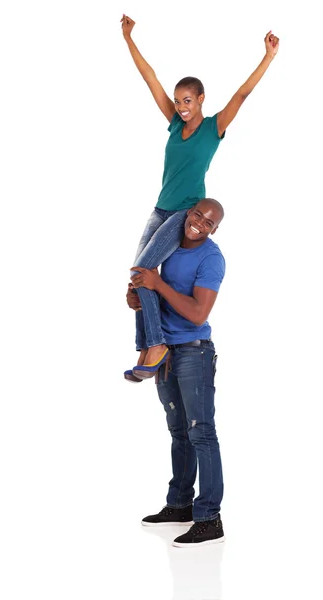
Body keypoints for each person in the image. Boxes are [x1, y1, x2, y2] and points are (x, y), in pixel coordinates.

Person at [121, 14, 279, 378]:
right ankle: (147, 346)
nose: (181, 106)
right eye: (178, 101)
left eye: (188, 100)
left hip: (183, 212)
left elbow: (242, 94)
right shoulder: (175, 123)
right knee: (136, 274)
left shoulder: (213, 129)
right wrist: (129, 38)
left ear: (201, 99)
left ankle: (156, 344)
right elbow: (150, 79)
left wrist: (267, 58)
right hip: (160, 209)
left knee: (145, 271)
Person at [126, 198, 226, 547]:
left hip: (194, 351)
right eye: (197, 214)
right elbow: (153, 291)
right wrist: (140, 297)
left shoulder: (211, 258)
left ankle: (210, 519)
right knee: (179, 433)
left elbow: (198, 313)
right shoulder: (166, 248)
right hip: (166, 350)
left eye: (209, 221)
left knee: (201, 433)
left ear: (215, 229)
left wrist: (159, 286)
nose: (200, 222)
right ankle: (180, 504)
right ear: (188, 214)